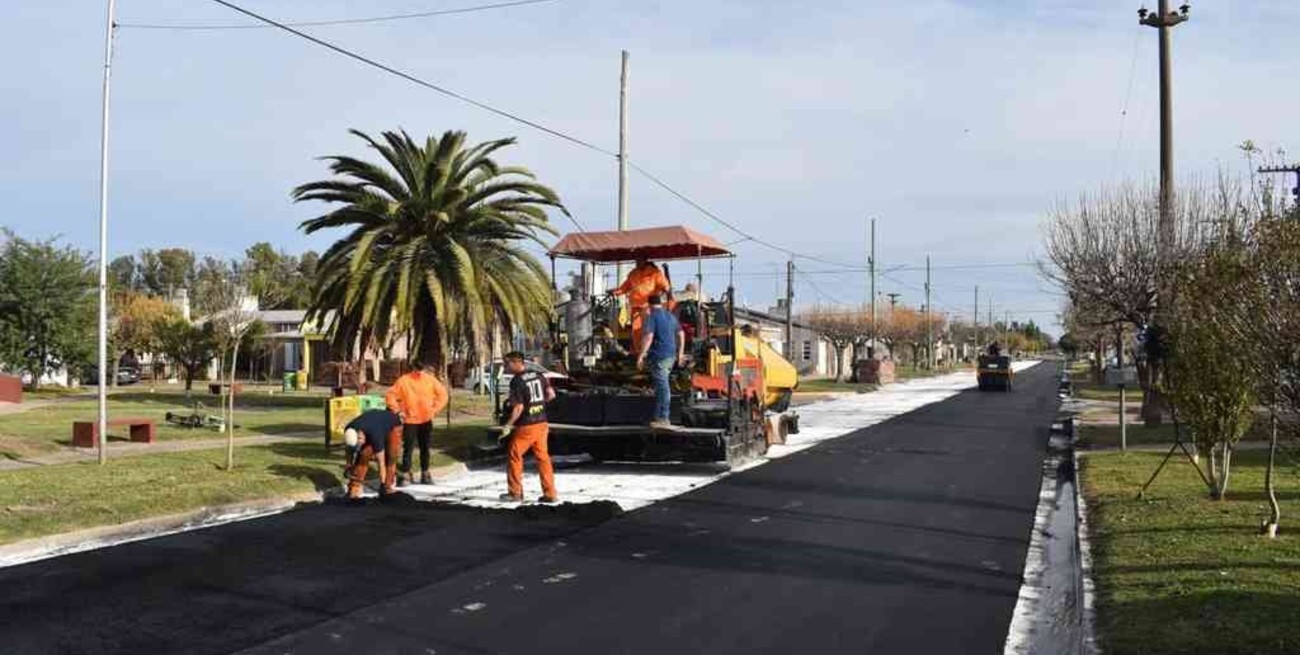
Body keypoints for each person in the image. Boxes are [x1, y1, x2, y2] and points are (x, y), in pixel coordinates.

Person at [498, 351, 559, 504]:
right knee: (543, 458)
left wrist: (508, 425)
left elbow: (518, 408)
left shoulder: (517, 381)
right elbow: (551, 395)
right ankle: (550, 493)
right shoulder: (539, 375)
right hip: (542, 423)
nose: (507, 367)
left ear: (516, 362)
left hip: (527, 425)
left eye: (508, 363)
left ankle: (515, 493)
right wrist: (539, 405)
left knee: (515, 455)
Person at [385, 359, 448, 486]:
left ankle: (424, 474)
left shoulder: (429, 380)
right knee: (409, 448)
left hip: (424, 419)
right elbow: (390, 395)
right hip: (410, 420)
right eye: (417, 369)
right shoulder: (404, 381)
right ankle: (407, 474)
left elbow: (443, 395)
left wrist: (434, 409)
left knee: (423, 448)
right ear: (413, 368)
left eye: (420, 369)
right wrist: (397, 410)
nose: (418, 372)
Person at [637, 295, 685, 429]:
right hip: (671, 356)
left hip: (660, 356)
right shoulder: (671, 316)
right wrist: (680, 354)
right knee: (659, 387)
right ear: (660, 303)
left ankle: (664, 417)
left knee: (663, 386)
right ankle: (658, 418)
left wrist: (641, 355)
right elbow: (681, 334)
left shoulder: (652, 317)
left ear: (649, 305)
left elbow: (649, 337)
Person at [612, 258, 672, 354]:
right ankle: (639, 354)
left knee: (649, 331)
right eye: (636, 260)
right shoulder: (633, 274)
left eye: (640, 260)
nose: (637, 262)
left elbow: (665, 285)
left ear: (645, 260)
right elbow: (625, 287)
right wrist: (615, 292)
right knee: (636, 333)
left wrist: (666, 288)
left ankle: (649, 353)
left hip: (649, 308)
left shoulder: (655, 272)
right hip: (636, 308)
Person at [342, 409, 403, 499]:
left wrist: (382, 483)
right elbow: (349, 450)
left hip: (393, 425)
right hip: (372, 424)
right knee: (363, 454)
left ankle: (387, 487)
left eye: (360, 442)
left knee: (391, 456)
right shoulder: (349, 430)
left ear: (361, 435)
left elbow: (381, 463)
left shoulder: (375, 435)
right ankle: (354, 488)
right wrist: (348, 466)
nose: (360, 445)